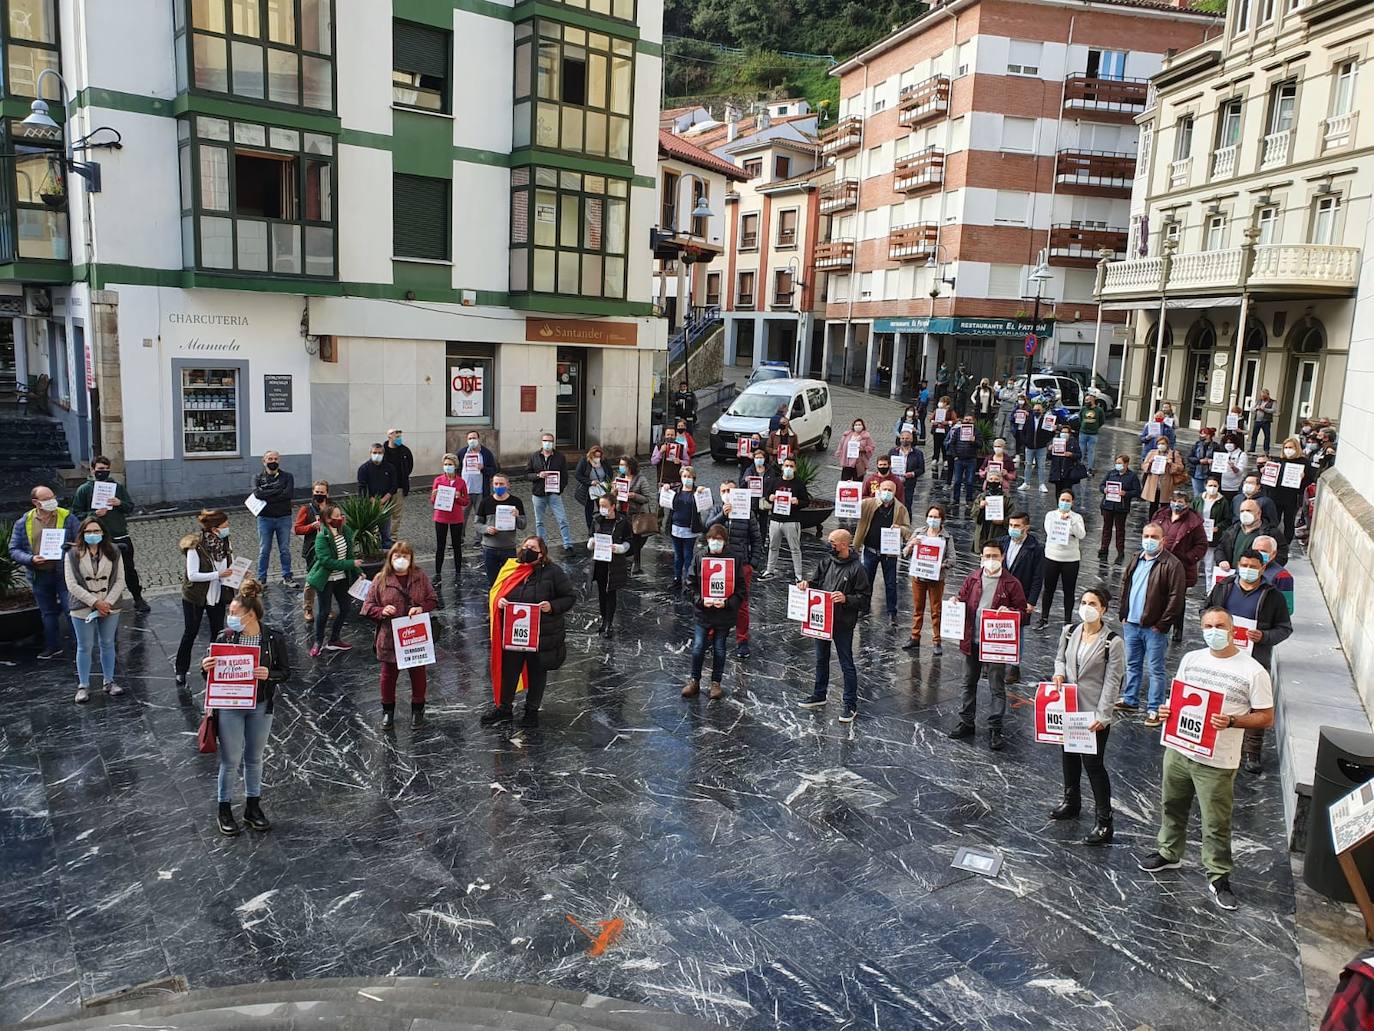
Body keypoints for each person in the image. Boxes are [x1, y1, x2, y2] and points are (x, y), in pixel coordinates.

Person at [1137, 608, 1273, 912]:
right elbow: (1178, 699)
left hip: (1217, 759)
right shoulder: (1191, 659)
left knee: (1215, 821)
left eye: (1220, 625)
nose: (1214, 630)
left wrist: (1233, 722)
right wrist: (1166, 712)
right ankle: (1169, 853)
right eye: (1208, 626)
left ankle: (1218, 875)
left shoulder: (1253, 671)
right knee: (1171, 804)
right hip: (1179, 749)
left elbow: (1266, 717)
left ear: (1233, 629)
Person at [199, 578, 290, 837]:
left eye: (234, 613)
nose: (230, 617)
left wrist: (268, 674)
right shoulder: (224, 637)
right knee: (230, 760)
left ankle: (253, 807)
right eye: (230, 613)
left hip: (260, 705)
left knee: (254, 758)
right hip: (230, 706)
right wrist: (205, 668)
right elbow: (210, 675)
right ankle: (224, 809)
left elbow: (285, 672)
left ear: (250, 615)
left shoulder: (272, 638)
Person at [1049, 585, 1124, 844]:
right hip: (1068, 708)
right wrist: (1059, 673)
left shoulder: (1112, 642)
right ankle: (1071, 801)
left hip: (1093, 713)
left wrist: (1103, 715)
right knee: (1068, 756)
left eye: (1093, 603)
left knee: (1093, 764)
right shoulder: (1069, 632)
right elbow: (1060, 658)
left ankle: (1104, 819)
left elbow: (1113, 682)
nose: (1087, 607)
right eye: (1084, 602)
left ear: (1103, 609)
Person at [1206, 549, 1292, 774]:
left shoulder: (1273, 596)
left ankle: (1252, 752)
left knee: (1256, 705)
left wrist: (1264, 636)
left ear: (1262, 568)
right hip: (1221, 655)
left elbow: (1284, 628)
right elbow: (1206, 610)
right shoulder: (1224, 587)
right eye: (1244, 565)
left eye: (1254, 567)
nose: (1248, 570)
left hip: (1254, 659)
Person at [483, 535, 576, 727]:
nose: (527, 550)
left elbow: (569, 597)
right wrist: (500, 602)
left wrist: (551, 606)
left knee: (537, 672)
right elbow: (497, 592)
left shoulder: (553, 572)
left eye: (532, 547)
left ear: (542, 553)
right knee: (510, 671)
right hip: (515, 634)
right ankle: (504, 707)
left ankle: (531, 710)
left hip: (541, 634)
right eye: (525, 546)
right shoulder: (512, 569)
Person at [948, 540, 1028, 751]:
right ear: (981, 558)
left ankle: (995, 727)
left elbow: (1022, 612)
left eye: (995, 556)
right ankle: (966, 721)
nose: (990, 560)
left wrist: (1011, 613)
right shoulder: (973, 578)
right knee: (968, 682)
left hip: (995, 645)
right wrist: (955, 602)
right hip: (971, 640)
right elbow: (961, 597)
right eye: (987, 556)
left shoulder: (1012, 583)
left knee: (996, 687)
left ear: (1002, 557)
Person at [361, 541, 439, 729]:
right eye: (397, 556)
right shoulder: (381, 579)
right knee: (388, 676)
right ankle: (388, 712)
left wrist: (421, 608)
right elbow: (367, 607)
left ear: (411, 558)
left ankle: (417, 710)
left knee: (418, 674)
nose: (401, 560)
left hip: (415, 637)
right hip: (390, 637)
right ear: (390, 558)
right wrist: (381, 611)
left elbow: (433, 599)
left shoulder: (420, 576)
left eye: (405, 556)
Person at [797, 529, 872, 722]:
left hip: (843, 623)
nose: (829, 545)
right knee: (821, 658)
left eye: (833, 542)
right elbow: (816, 581)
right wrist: (806, 584)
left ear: (844, 545)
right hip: (822, 619)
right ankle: (819, 694)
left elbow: (864, 599)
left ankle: (850, 704)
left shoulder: (858, 568)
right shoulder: (826, 562)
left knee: (846, 663)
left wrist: (846, 599)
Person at [1117, 522, 1186, 725]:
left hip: (1154, 627)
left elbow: (1177, 598)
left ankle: (1154, 708)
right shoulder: (1135, 559)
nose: (1149, 540)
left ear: (1163, 540)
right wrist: (1123, 613)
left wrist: (1162, 624)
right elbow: (1125, 585)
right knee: (1132, 664)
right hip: (1131, 623)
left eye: (1154, 537)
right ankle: (1130, 699)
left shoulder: (1172, 565)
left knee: (1155, 669)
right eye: (1146, 536)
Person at [71, 456, 150, 613]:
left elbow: (130, 507)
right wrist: (94, 514)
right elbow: (76, 514)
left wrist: (120, 503)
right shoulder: (84, 490)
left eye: (106, 470)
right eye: (100, 470)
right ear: (92, 470)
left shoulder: (117, 487)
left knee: (129, 569)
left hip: (120, 534)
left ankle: (138, 598)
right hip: (97, 538)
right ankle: (100, 601)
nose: (103, 473)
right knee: (98, 570)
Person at [65, 516, 126, 704]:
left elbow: (119, 580)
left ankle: (109, 681)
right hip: (83, 607)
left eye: (97, 531)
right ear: (82, 534)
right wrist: (95, 602)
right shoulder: (72, 554)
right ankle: (83, 685)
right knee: (85, 646)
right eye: (89, 531)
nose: (93, 534)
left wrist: (107, 602)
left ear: (103, 533)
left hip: (110, 606)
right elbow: (72, 584)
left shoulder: (113, 551)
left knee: (107, 643)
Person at [9, 485, 75, 659]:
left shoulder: (66, 516)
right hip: (39, 574)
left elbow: (79, 540)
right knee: (47, 613)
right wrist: (30, 559)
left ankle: (80, 647)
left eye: (53, 497)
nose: (52, 501)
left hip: (63, 573)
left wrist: (70, 550)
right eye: (46, 499)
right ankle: (52, 646)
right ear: (35, 502)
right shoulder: (24, 522)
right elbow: (14, 549)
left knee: (71, 610)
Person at [175, 509, 236, 688]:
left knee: (217, 632)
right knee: (190, 632)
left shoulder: (225, 542)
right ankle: (181, 669)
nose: (228, 527)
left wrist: (238, 573)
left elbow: (228, 566)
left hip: (217, 595)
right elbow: (192, 575)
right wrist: (218, 574)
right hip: (195, 596)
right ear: (215, 528)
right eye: (225, 525)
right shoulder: (195, 546)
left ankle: (214, 668)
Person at [684, 525, 744, 701]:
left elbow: (741, 589)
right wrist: (701, 600)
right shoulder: (700, 557)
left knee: (719, 648)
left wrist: (727, 603)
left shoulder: (734, 559)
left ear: (724, 541)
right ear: (707, 539)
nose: (715, 542)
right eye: (712, 539)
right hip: (704, 612)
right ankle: (694, 680)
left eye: (719, 539)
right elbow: (690, 584)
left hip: (724, 614)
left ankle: (715, 683)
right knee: (698, 647)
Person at [706, 479, 764, 657]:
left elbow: (756, 539)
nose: (726, 494)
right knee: (714, 601)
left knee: (741, 605)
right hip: (718, 564)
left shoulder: (748, 514)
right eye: (723, 491)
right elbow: (707, 528)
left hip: (741, 565)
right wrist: (722, 516)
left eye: (729, 491)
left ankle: (742, 640)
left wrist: (752, 563)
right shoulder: (716, 510)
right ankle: (711, 636)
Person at [305, 502, 362, 657]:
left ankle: (334, 639)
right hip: (326, 579)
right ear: (328, 519)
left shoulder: (346, 531)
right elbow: (326, 561)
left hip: (342, 577)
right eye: (336, 516)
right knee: (324, 611)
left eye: (340, 515)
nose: (340, 518)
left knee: (345, 608)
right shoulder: (322, 536)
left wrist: (358, 570)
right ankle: (318, 641)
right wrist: (351, 564)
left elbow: (350, 554)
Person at [1153, 488, 1210, 639]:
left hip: (1180, 566)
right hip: (1159, 563)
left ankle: (1178, 628)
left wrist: (1188, 558)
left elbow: (1201, 545)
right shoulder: (1161, 515)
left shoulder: (1194, 522)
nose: (1176, 504)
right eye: (1174, 501)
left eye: (1180, 502)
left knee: (1177, 598)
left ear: (1187, 504)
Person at [998, 511, 1042, 685]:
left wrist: (1031, 601)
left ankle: (1015, 666)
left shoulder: (1035, 548)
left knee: (1018, 631)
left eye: (1017, 526)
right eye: (1011, 525)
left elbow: (1038, 577)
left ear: (1026, 527)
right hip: (1001, 593)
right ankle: (995, 660)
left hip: (1021, 595)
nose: (1013, 529)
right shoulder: (1002, 542)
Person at [856, 480, 910, 623]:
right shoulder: (869, 504)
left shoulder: (901, 509)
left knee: (891, 583)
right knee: (866, 582)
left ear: (895, 492)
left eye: (890, 490)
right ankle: (864, 609)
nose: (887, 492)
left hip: (889, 553)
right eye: (884, 489)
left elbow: (908, 531)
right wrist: (851, 488)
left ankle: (892, 612)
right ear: (879, 490)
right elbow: (852, 508)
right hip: (870, 550)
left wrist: (900, 529)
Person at [903, 503, 952, 654]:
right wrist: (911, 544)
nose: (932, 519)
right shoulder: (919, 532)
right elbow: (905, 552)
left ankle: (936, 640)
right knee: (918, 608)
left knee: (936, 610)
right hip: (919, 576)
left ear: (941, 519)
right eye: (930, 516)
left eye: (936, 517)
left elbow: (953, 559)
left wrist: (939, 565)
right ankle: (915, 636)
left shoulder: (946, 537)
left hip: (936, 579)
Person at [1037, 490, 1086, 629]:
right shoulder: (1051, 515)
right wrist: (1065, 528)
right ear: (1058, 500)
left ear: (1072, 502)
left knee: (1069, 591)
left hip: (1071, 559)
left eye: (1068, 500)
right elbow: (1050, 530)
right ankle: (1044, 617)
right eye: (1062, 500)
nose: (1065, 503)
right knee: (1048, 589)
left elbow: (1081, 534)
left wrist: (1070, 524)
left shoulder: (1077, 517)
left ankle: (1067, 621)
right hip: (1052, 557)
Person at [586, 493, 632, 636]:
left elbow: (629, 540)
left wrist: (620, 548)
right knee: (601, 593)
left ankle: (609, 623)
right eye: (600, 506)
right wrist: (591, 543)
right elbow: (590, 536)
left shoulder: (622, 522)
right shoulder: (596, 520)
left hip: (614, 564)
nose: (602, 509)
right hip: (599, 562)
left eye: (605, 506)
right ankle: (604, 619)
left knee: (610, 592)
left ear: (613, 506)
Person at [252, 450, 298, 586]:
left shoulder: (288, 476)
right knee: (264, 550)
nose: (273, 461)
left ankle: (287, 576)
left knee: (285, 549)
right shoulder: (257, 477)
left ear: (279, 460)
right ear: (264, 461)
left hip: (284, 518)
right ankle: (261, 578)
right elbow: (257, 494)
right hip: (264, 519)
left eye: (275, 459)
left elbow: (288, 494)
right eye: (270, 459)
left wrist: (267, 493)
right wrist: (278, 489)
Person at [760, 455, 809, 581]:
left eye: (791, 466)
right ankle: (769, 570)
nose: (788, 468)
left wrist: (797, 501)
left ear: (795, 468)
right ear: (782, 467)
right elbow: (767, 495)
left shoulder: (799, 484)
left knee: (795, 548)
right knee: (773, 546)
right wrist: (770, 498)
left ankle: (798, 575)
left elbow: (806, 502)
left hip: (791, 521)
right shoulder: (775, 481)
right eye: (786, 466)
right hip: (775, 519)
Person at [476, 474, 528, 588]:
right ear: (492, 485)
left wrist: (517, 516)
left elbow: (523, 525)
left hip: (509, 548)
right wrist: (486, 529)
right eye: (496, 484)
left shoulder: (516, 501)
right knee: (493, 583)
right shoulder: (485, 502)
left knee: (510, 583)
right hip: (489, 549)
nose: (498, 486)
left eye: (501, 484)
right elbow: (477, 524)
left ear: (508, 485)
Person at [1214, 498, 1288, 574]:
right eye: (1242, 511)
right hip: (1233, 575)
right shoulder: (1232, 530)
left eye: (1249, 510)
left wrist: (1266, 568)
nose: (1245, 513)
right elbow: (1220, 548)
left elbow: (1282, 555)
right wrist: (1221, 560)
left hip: (1258, 576)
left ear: (1259, 513)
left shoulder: (1271, 533)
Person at [528, 432, 574, 551]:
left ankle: (568, 545)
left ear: (553, 443)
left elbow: (564, 476)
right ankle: (541, 547)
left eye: (549, 441)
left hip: (554, 494)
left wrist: (559, 489)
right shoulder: (534, 456)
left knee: (562, 519)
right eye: (545, 441)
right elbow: (527, 474)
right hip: (538, 494)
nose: (547, 443)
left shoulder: (560, 457)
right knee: (539, 522)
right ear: (542, 442)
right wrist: (538, 475)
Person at [293, 481, 330, 623]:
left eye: (322, 492)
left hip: (328, 548)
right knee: (312, 580)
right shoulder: (306, 509)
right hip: (312, 549)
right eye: (317, 492)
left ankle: (326, 607)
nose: (319, 495)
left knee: (329, 580)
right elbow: (297, 529)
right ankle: (308, 608)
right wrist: (311, 526)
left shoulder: (331, 508)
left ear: (327, 493)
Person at [430, 453, 471, 583]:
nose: (448, 467)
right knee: (440, 545)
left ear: (455, 466)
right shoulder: (438, 480)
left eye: (450, 464)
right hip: (441, 516)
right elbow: (432, 501)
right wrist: (434, 495)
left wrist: (459, 497)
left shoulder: (461, 482)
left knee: (456, 545)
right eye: (446, 464)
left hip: (456, 517)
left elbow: (466, 501)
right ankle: (437, 571)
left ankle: (458, 570)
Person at [667, 465, 704, 590]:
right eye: (684, 476)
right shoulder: (675, 490)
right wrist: (665, 489)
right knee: (678, 556)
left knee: (688, 556)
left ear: (694, 478)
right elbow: (662, 500)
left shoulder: (697, 491)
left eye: (689, 476)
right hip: (676, 527)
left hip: (689, 529)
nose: (687, 479)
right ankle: (677, 579)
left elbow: (708, 503)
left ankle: (688, 581)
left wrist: (702, 493)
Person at [460, 431, 500, 547]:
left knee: (480, 517)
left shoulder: (486, 453)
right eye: (470, 438)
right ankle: (459, 539)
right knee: (461, 517)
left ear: (478, 439)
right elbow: (457, 468)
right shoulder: (462, 452)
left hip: (481, 491)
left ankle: (479, 540)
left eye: (474, 438)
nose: (472, 440)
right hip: (465, 491)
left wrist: (483, 468)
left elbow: (494, 470)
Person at [1097, 455, 1140, 562]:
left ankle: (1120, 550)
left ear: (1126, 464)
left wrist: (1126, 493)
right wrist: (1104, 490)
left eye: (1120, 463)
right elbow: (1101, 485)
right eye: (1117, 462)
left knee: (1120, 529)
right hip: (1108, 505)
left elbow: (1137, 491)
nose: (1118, 465)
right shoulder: (1111, 473)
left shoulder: (1132, 476)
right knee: (1106, 528)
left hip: (1121, 507)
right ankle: (1104, 548)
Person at [357, 442, 399, 551]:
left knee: (385, 533)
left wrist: (383, 500)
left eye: (379, 453)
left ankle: (386, 555)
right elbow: (362, 488)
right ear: (370, 453)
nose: (377, 454)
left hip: (385, 505)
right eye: (374, 452)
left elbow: (394, 486)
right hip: (368, 506)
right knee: (370, 532)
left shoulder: (390, 468)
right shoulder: (363, 469)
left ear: (383, 453)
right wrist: (374, 501)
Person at [616, 456, 654, 574]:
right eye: (620, 465)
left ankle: (636, 562)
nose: (621, 467)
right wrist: (613, 490)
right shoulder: (620, 477)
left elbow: (647, 498)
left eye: (623, 465)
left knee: (636, 538)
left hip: (636, 514)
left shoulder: (640, 479)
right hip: (622, 511)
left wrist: (634, 496)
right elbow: (614, 495)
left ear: (630, 466)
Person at [1193, 475, 1231, 588]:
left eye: (1215, 485)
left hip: (1212, 539)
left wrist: (1218, 527)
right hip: (1198, 537)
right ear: (1205, 486)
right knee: (1194, 564)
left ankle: (1210, 590)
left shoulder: (1223, 502)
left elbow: (1227, 520)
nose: (1212, 488)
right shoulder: (1199, 499)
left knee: (1209, 566)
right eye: (1210, 485)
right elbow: (1192, 514)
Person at [1268, 438, 1307, 544]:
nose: (1288, 450)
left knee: (1289, 522)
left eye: (1290, 447)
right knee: (1274, 521)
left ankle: (1286, 544)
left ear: (1296, 448)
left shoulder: (1303, 462)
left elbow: (1308, 482)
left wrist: (1303, 478)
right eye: (1286, 448)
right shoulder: (1279, 461)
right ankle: (1273, 542)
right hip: (1277, 495)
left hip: (1292, 497)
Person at [1140, 437, 1186, 520]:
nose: (1161, 446)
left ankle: (1164, 523)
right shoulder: (1152, 453)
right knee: (1153, 505)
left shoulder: (1174, 454)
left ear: (1167, 444)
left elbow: (1180, 468)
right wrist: (1150, 463)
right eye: (1159, 444)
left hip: (1166, 484)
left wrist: (1171, 463)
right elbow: (1144, 466)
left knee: (1165, 506)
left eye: (1163, 444)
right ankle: (1152, 522)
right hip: (1154, 484)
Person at [382, 428, 414, 542]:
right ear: (389, 436)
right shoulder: (382, 450)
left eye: (400, 436)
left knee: (397, 515)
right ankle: (382, 537)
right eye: (397, 436)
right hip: (384, 489)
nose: (399, 438)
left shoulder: (405, 451)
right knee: (383, 514)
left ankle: (392, 537)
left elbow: (409, 467)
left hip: (399, 487)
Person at [1015, 403, 1054, 493]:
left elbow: (1050, 433)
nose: (1036, 411)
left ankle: (1042, 484)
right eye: (1035, 410)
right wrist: (1025, 442)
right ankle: (1026, 483)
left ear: (1042, 411)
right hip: (1029, 447)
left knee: (1041, 466)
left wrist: (1046, 440)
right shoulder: (1028, 419)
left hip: (1041, 447)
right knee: (1028, 465)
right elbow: (1022, 431)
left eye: (1038, 410)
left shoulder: (1046, 420)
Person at [573, 445, 612, 535]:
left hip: (601, 488)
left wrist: (607, 482)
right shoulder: (584, 461)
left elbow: (609, 472)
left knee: (603, 508)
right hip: (588, 489)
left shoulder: (604, 461)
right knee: (589, 509)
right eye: (595, 457)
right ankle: (590, 529)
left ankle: (603, 527)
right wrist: (590, 482)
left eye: (599, 456)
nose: (597, 458)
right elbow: (578, 475)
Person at [971, 468, 1010, 555]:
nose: (993, 481)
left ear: (1000, 481)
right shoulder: (981, 496)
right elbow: (973, 514)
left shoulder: (1007, 498)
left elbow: (1012, 515)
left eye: (996, 479)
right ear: (987, 481)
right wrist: (980, 507)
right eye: (991, 479)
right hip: (983, 530)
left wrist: (1003, 521)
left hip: (998, 531)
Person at [948, 413, 983, 506]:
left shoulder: (977, 432)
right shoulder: (958, 430)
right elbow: (952, 444)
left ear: (973, 421)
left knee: (970, 481)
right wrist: (955, 456)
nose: (967, 421)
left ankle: (969, 500)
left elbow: (980, 445)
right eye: (966, 419)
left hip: (971, 459)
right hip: (959, 459)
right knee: (957, 481)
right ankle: (956, 499)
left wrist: (974, 441)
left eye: (969, 420)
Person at [889, 430, 925, 511]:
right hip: (895, 482)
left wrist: (912, 474)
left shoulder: (918, 453)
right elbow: (887, 464)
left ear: (911, 439)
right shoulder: (893, 451)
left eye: (907, 438)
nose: (904, 440)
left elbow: (921, 469)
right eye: (902, 438)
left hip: (909, 483)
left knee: (907, 505)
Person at [1048, 427, 1084, 499]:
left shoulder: (1073, 442)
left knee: (1067, 490)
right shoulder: (1055, 441)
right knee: (1058, 491)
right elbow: (1049, 457)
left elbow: (1079, 455)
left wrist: (1071, 455)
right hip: (1057, 471)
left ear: (1069, 434)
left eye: (1066, 432)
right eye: (1062, 432)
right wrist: (1050, 450)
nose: (1064, 434)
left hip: (1068, 472)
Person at [1215, 431, 1248, 502]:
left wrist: (1233, 467)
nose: (1228, 445)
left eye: (1230, 443)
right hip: (1221, 485)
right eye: (1226, 443)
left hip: (1234, 487)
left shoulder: (1242, 455)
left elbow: (1240, 472)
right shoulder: (1223, 453)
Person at [1187, 428, 1218, 497]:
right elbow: (1190, 457)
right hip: (1196, 473)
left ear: (1209, 435)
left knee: (1209, 494)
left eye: (1204, 434)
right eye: (1201, 433)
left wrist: (1212, 461)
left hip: (1209, 474)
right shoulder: (1197, 445)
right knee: (1197, 495)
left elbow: (1220, 459)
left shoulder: (1216, 446)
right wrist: (1199, 461)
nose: (1201, 435)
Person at [1078, 396, 1104, 473]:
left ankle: (1090, 468)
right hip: (1083, 433)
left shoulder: (1099, 410)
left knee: (1091, 451)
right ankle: (1079, 467)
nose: (1086, 401)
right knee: (1081, 450)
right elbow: (1080, 418)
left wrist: (1095, 427)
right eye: (1085, 400)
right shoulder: (1083, 409)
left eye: (1088, 400)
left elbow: (1101, 421)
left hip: (1093, 434)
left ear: (1093, 400)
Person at [1249, 388, 1275, 453]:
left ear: (1267, 395)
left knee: (1267, 436)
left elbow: (1273, 410)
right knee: (1254, 435)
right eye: (1261, 395)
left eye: (1264, 396)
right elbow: (1252, 409)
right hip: (1257, 420)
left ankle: (1266, 450)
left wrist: (1264, 409)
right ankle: (1252, 448)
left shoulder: (1273, 402)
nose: (1262, 397)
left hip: (1266, 421)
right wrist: (1256, 408)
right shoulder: (1259, 401)